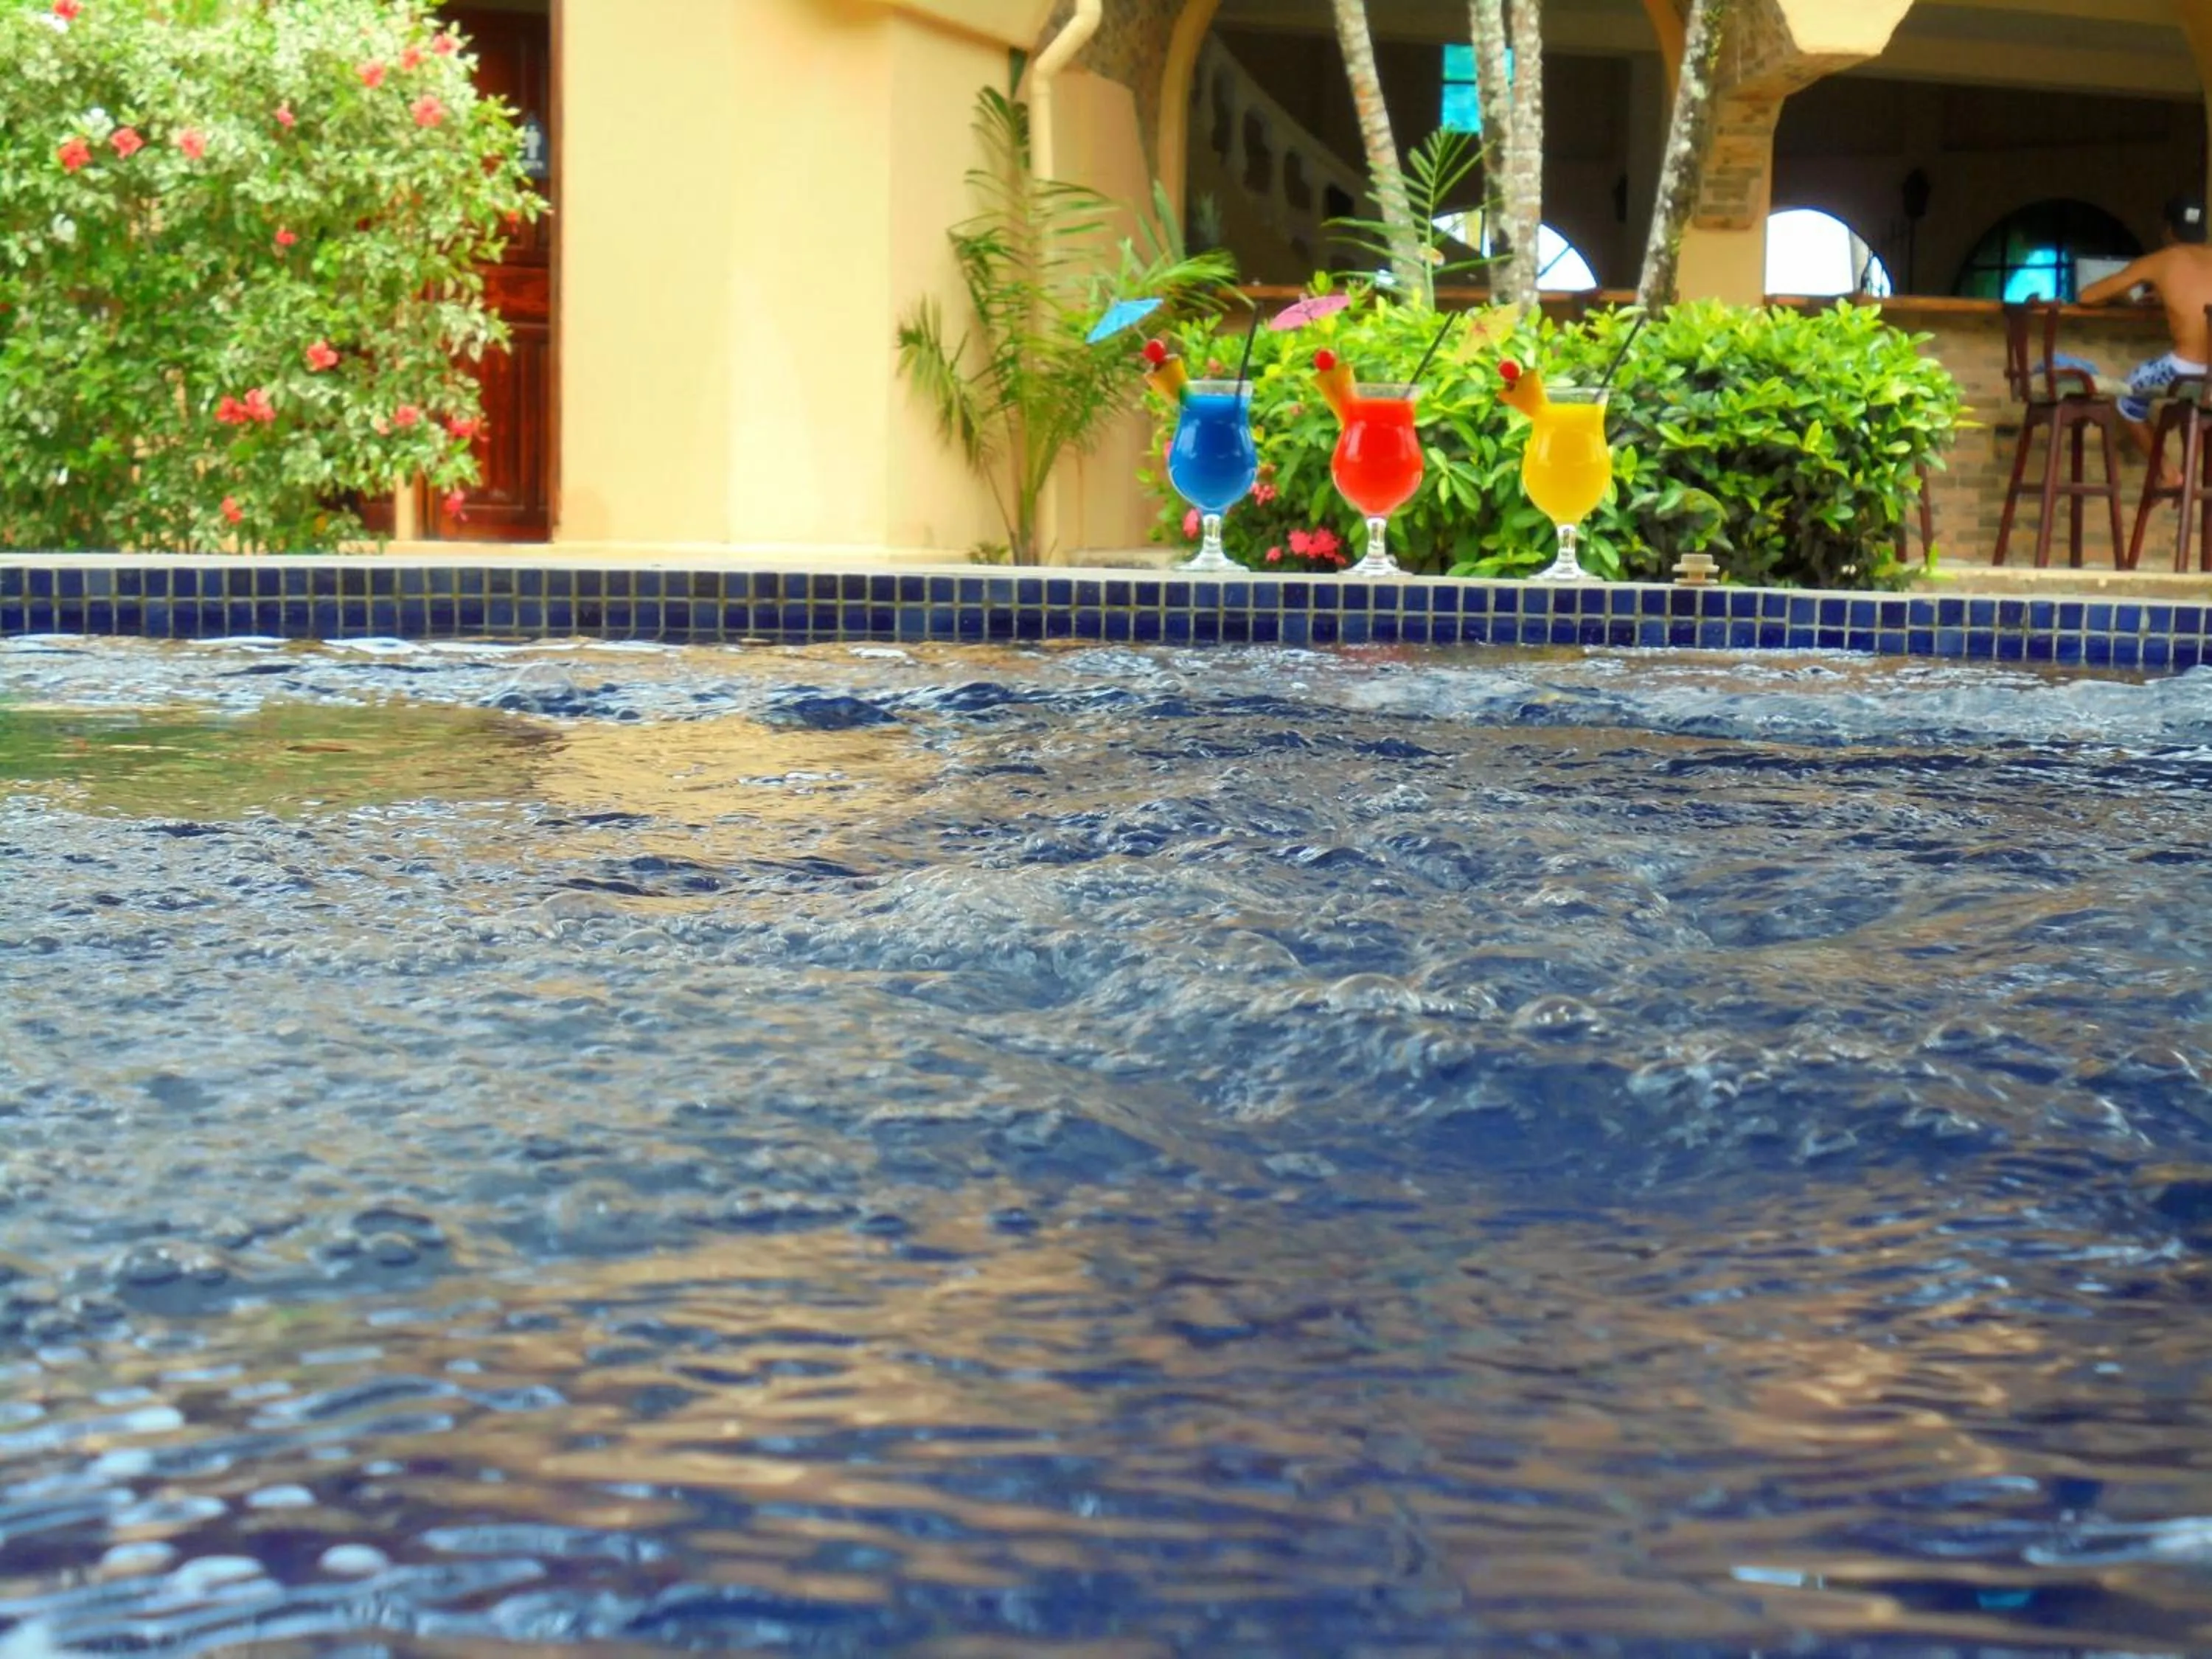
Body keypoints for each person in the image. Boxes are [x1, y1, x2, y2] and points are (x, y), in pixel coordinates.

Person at [2076, 195, 2212, 484]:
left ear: (2168, 231)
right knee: (2199, 407)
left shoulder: (2161, 261)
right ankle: (2192, 480)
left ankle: (2171, 474)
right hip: (2210, 384)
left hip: (2187, 371)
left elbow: (2087, 296)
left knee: (2127, 396)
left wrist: (2124, 298)